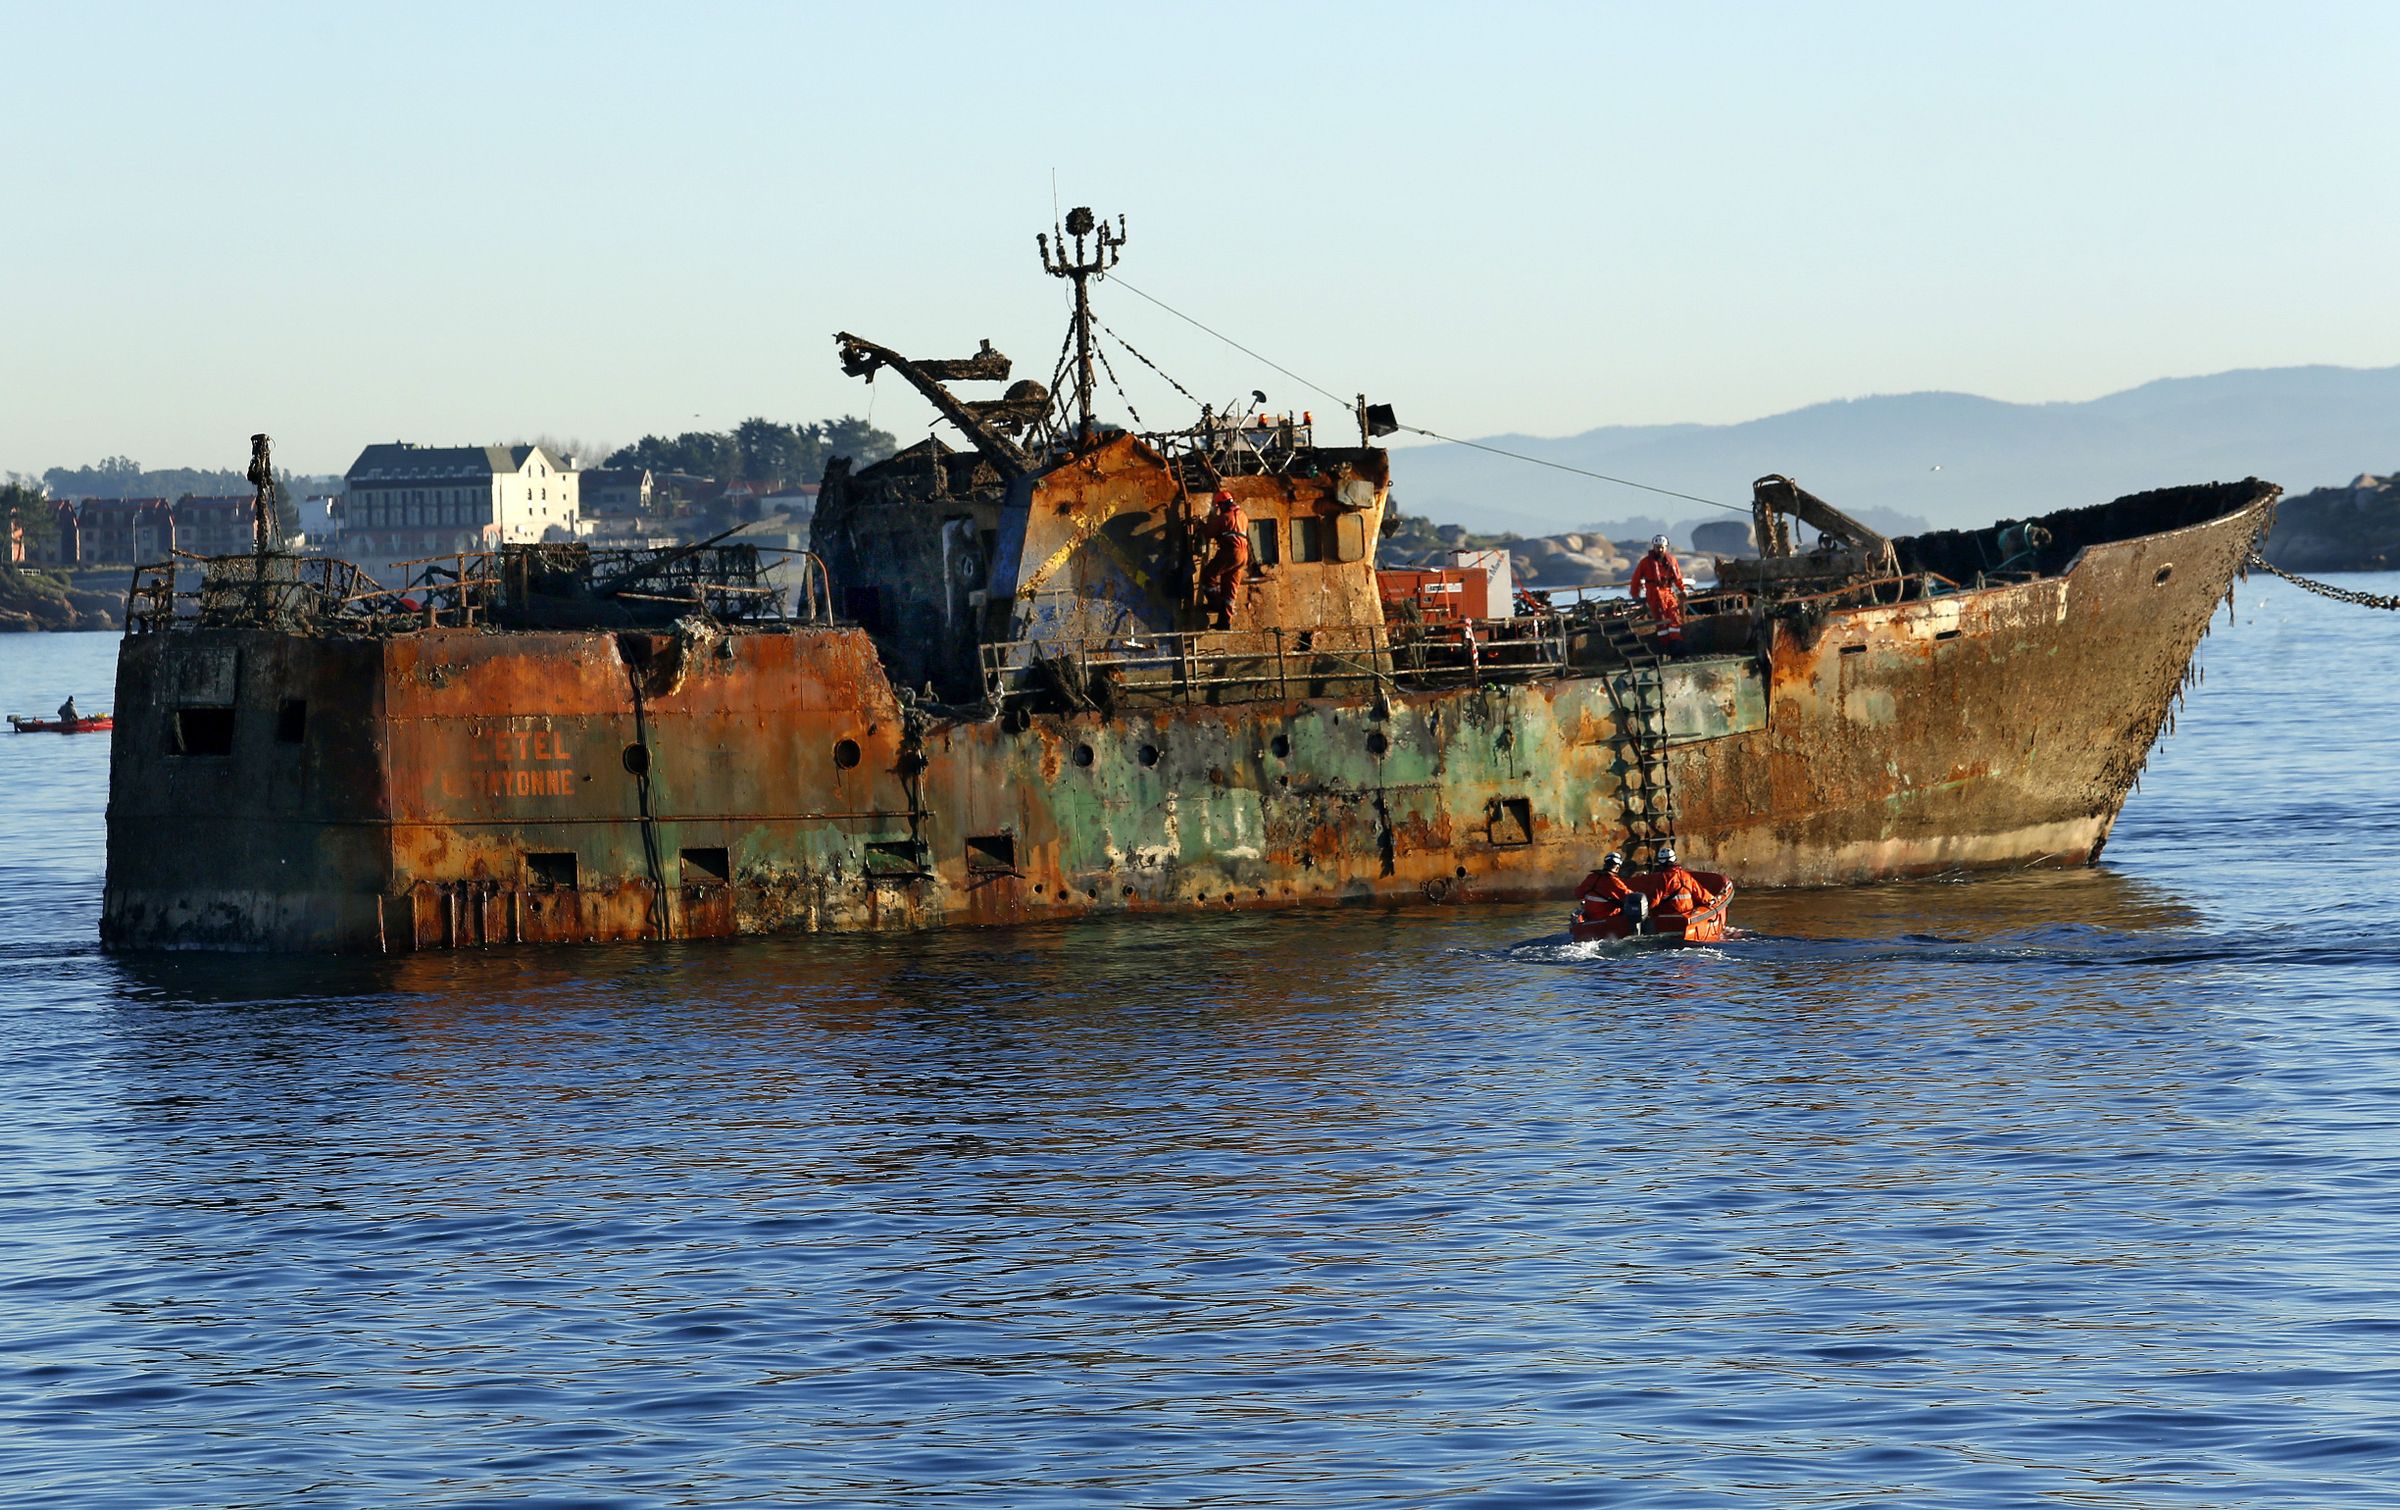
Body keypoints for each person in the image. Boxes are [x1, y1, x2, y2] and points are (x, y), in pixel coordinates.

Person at [1199, 486, 1250, 629]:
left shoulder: (1224, 517)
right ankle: (1224, 622)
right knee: (1230, 588)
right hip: (1243, 555)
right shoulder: (1243, 516)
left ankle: (1216, 604)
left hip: (1230, 552)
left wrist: (1201, 525)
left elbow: (1209, 532)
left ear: (1222, 505)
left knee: (1208, 575)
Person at [1629, 533, 1690, 653]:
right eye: (1657, 547)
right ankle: (1665, 647)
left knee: (1674, 617)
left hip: (1668, 592)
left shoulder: (1672, 560)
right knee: (1661, 621)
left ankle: (1676, 644)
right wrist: (1635, 595)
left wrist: (1682, 589)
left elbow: (1677, 577)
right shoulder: (1645, 562)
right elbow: (1636, 579)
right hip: (1654, 594)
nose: (1660, 549)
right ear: (1654, 547)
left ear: (1666, 547)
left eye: (1662, 547)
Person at [1649, 844, 1713, 917]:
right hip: (1688, 914)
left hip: (1669, 915)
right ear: (1674, 860)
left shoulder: (1662, 878)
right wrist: (1711, 899)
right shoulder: (1686, 876)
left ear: (1660, 863)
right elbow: (1700, 893)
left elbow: (1654, 900)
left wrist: (1644, 910)